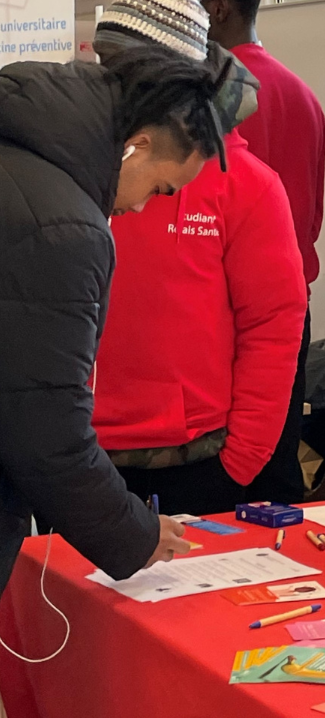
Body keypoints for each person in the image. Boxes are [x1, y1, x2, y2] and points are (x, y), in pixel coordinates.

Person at [0, 45, 230, 594]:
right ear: (137, 146)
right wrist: (134, 533)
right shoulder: (65, 230)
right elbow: (45, 428)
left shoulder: (18, 149)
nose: (145, 207)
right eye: (159, 187)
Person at [89, 0, 308, 517]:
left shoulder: (248, 185)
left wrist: (242, 460)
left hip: (197, 462)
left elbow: (274, 322)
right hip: (78, 456)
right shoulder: (76, 164)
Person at [203, 0, 325, 504]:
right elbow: (315, 216)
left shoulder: (202, 99)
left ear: (217, 8)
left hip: (223, 316)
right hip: (289, 310)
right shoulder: (305, 97)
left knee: (216, 481)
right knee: (276, 472)